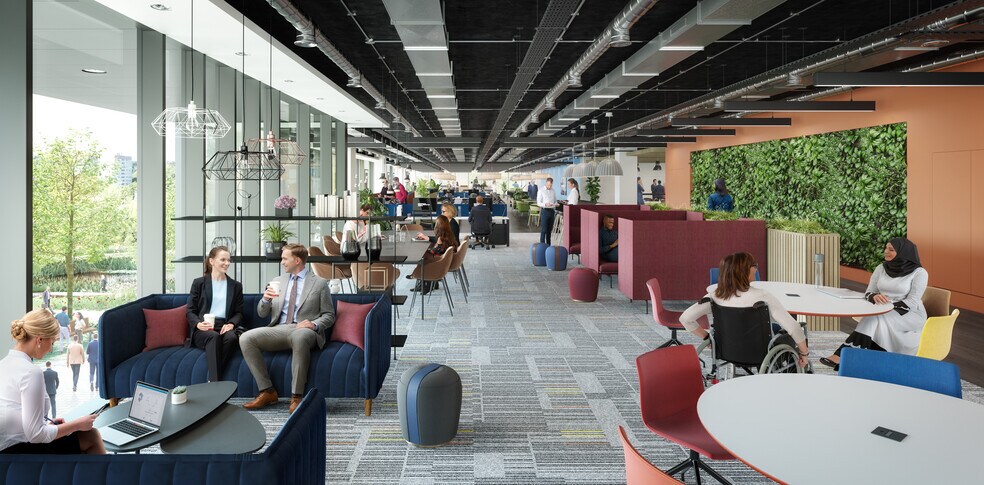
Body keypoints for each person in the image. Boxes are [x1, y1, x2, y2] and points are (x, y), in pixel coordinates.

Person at [241, 244, 335, 414]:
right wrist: (265, 300)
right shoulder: (278, 281)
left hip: (305, 330)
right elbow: (262, 313)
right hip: (280, 329)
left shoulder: (319, 283)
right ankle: (267, 391)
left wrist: (314, 324)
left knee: (299, 336)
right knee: (246, 338)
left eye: (285, 258)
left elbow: (329, 315)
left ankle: (297, 396)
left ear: (297, 260)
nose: (282, 262)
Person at [0, 309, 104, 454]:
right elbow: (36, 435)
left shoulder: (4, 364)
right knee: (91, 436)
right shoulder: (31, 372)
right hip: (15, 451)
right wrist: (77, 424)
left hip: (6, 445)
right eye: (53, 342)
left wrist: (47, 425)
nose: (50, 349)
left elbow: (13, 414)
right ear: (39, 340)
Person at [680, 252, 810, 368]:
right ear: (745, 271)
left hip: (728, 351)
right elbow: (793, 328)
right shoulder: (763, 296)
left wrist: (706, 337)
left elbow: (685, 319)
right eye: (754, 265)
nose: (756, 269)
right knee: (794, 331)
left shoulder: (715, 296)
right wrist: (804, 353)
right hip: (762, 353)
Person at [821, 238, 928, 369]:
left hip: (909, 314)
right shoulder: (881, 268)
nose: (886, 252)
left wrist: (888, 305)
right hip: (883, 311)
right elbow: (869, 292)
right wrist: (874, 296)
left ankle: (843, 355)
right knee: (875, 318)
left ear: (903, 252)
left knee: (875, 317)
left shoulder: (919, 273)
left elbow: (912, 301)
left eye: (891, 249)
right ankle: (858, 360)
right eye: (886, 248)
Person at [186, 246, 245, 382]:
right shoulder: (199, 283)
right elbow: (190, 311)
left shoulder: (236, 286)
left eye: (229, 260)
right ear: (211, 261)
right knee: (213, 337)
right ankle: (215, 382)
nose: (227, 263)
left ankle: (212, 380)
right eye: (223, 260)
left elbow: (239, 312)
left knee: (231, 338)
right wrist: (198, 324)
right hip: (204, 327)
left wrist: (231, 324)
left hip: (224, 326)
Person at [536, 177, 558, 245]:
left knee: (549, 230)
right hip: (545, 211)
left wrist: (556, 204)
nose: (549, 186)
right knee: (544, 229)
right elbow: (538, 203)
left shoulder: (553, 191)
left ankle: (548, 245)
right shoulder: (541, 190)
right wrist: (545, 204)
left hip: (552, 211)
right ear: (546, 183)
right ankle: (542, 245)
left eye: (551, 185)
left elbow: (555, 200)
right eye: (548, 185)